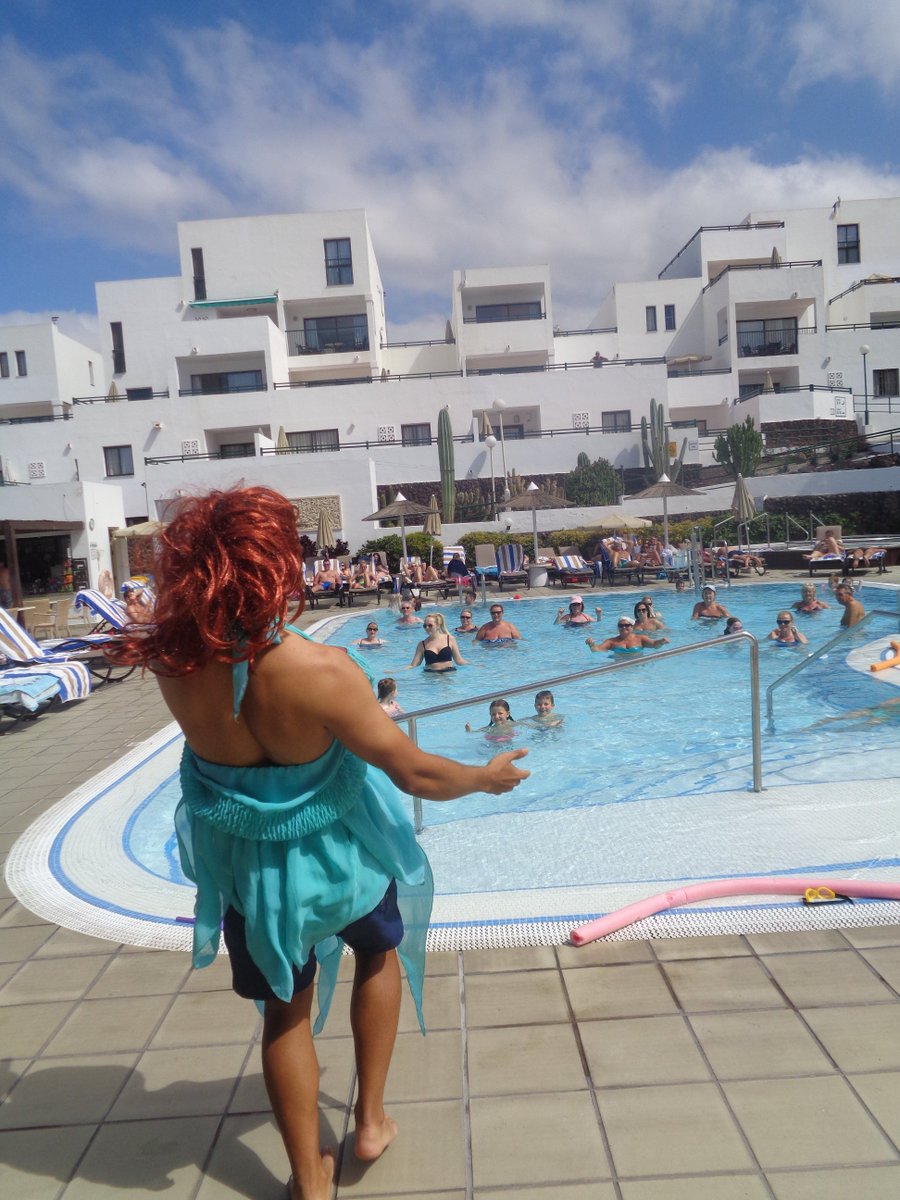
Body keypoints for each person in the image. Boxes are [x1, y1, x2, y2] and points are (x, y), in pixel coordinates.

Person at [107, 487, 528, 1200]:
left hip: (251, 875)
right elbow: (415, 770)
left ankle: (308, 1182)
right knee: (377, 953)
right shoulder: (320, 672)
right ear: (273, 565)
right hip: (342, 861)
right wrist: (485, 778)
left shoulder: (174, 669)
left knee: (284, 1012)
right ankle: (369, 1121)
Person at [585, 615, 669, 653]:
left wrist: (661, 641)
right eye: (621, 626)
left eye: (626, 625)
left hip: (637, 668)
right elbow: (597, 650)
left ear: (632, 627)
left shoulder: (640, 638)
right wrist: (592, 645)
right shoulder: (611, 641)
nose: (623, 627)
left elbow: (654, 645)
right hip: (618, 668)